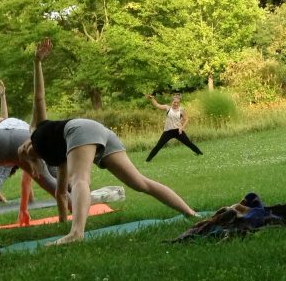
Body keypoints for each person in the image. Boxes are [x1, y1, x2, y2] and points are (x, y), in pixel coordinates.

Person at [17, 39, 198, 245]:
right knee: (140, 183)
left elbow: (38, 97)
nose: (24, 149)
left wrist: (37, 62)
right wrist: (61, 220)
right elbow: (60, 193)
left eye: (24, 148)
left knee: (80, 180)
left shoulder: (35, 129)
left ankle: (76, 234)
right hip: (97, 132)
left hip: (79, 129)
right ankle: (191, 213)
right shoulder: (58, 156)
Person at [0, 79, 61, 222]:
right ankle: (73, 201)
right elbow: (27, 179)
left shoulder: (3, 123)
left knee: (1, 176)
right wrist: (23, 208)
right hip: (22, 138)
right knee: (49, 176)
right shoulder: (23, 127)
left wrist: (2, 96)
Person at [145, 92, 203, 161]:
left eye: (177, 103)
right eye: (174, 102)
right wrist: (152, 99)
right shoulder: (167, 108)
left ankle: (200, 153)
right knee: (158, 146)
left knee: (189, 143)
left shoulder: (181, 110)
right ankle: (148, 160)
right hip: (168, 131)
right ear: (172, 102)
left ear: (179, 103)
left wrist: (182, 127)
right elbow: (157, 105)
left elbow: (186, 119)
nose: (176, 104)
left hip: (178, 131)